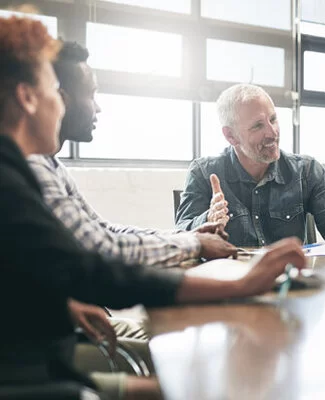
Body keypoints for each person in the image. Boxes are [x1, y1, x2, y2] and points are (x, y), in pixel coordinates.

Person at [0, 15, 306, 400]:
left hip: (41, 358)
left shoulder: (19, 169)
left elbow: (71, 253)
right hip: (34, 378)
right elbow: (96, 263)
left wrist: (63, 302)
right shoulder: (14, 177)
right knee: (202, 378)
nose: (60, 105)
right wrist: (236, 279)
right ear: (28, 97)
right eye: (52, 92)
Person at [28, 41, 236, 269]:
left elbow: (102, 229)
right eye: (91, 95)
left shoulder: (52, 165)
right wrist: (194, 243)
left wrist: (186, 237)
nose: (98, 108)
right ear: (60, 98)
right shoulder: (33, 165)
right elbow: (100, 248)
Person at [175, 83, 325, 247]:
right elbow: (180, 237)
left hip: (295, 287)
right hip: (234, 288)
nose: (272, 133)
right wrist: (207, 220)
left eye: (273, 119)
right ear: (231, 136)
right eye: (257, 126)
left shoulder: (307, 171)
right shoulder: (203, 172)